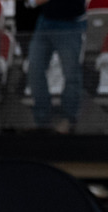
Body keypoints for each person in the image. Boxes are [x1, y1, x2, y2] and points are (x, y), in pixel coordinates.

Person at [27, 0, 86, 134]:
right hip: (45, 21)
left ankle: (69, 120)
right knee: (34, 69)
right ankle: (42, 121)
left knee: (71, 74)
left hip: (70, 23)